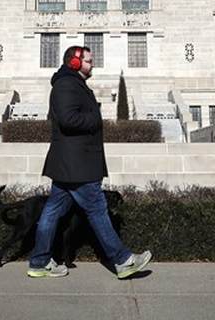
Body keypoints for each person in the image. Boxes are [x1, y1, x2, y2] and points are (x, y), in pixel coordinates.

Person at [26, 45, 152, 279]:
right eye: (88, 61)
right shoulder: (66, 85)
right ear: (74, 63)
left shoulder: (73, 84)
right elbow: (67, 119)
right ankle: (123, 261)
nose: (92, 64)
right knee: (96, 209)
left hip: (71, 164)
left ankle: (39, 261)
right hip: (77, 165)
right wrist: (95, 118)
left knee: (52, 211)